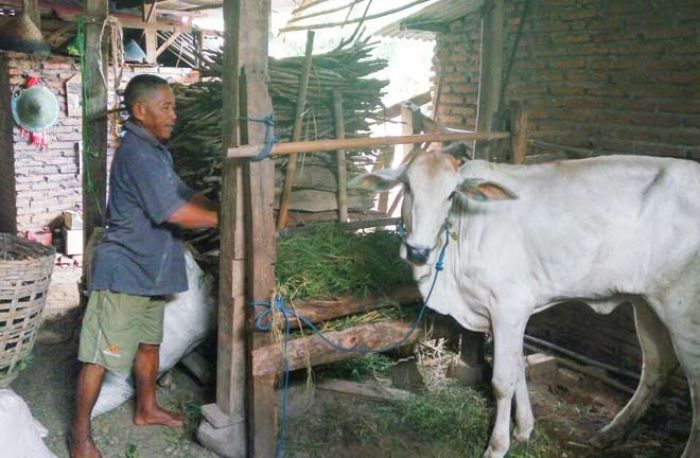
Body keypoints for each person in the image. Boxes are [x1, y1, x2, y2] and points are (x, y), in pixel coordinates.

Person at [70, 74, 218, 458]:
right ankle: (79, 435)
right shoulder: (136, 153)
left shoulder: (156, 151)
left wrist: (221, 203)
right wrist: (225, 220)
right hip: (125, 269)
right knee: (100, 357)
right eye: (166, 106)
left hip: (152, 269)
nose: (174, 114)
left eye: (173, 106)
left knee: (150, 345)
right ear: (140, 110)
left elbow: (184, 193)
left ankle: (146, 408)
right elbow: (172, 211)